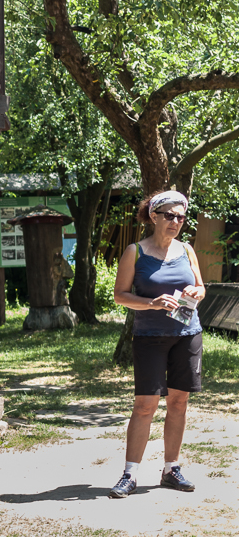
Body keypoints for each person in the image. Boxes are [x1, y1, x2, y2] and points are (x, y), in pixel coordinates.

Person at [108, 190, 205, 499]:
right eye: (170, 216)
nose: (176, 222)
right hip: (149, 338)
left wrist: (196, 292)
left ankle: (171, 469)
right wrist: (151, 303)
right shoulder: (135, 252)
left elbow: (201, 287)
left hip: (187, 334)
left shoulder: (187, 249)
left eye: (181, 217)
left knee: (178, 403)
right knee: (145, 405)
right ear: (154, 216)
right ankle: (130, 474)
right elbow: (120, 295)